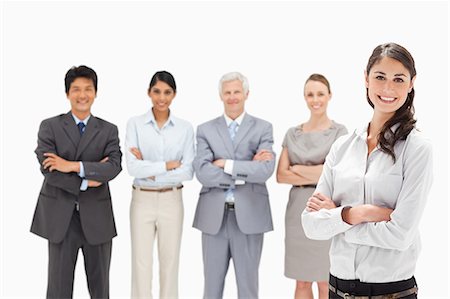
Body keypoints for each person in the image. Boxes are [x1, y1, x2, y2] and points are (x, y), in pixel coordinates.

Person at [302, 43, 433, 299]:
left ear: (412, 83)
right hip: (336, 289)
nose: (388, 88)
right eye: (380, 77)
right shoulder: (342, 146)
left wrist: (337, 220)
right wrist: (357, 213)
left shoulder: (418, 149)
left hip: (390, 293)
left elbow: (400, 235)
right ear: (366, 78)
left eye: (399, 79)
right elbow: (310, 225)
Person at [31, 65, 122, 298]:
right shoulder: (50, 126)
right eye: (76, 89)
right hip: (61, 217)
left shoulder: (108, 130)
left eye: (88, 89)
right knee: (58, 289)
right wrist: (86, 181)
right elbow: (49, 170)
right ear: (67, 93)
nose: (82, 95)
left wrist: (72, 165)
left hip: (97, 218)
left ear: (96, 92)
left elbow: (113, 167)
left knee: (100, 289)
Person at [193, 72, 275, 298]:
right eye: (227, 92)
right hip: (213, 218)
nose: (232, 97)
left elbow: (265, 170)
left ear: (246, 94)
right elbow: (203, 172)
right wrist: (246, 169)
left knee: (248, 289)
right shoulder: (205, 130)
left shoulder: (263, 128)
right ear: (220, 95)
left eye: (236, 92)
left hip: (250, 216)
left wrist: (226, 164)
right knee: (211, 288)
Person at [276, 73, 347, 299]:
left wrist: (298, 169)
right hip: (297, 210)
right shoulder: (292, 133)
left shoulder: (339, 133)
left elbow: (336, 173)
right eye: (310, 94)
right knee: (302, 281)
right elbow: (281, 175)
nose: (315, 99)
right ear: (304, 97)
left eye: (320, 94)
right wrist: (318, 170)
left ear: (329, 96)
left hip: (325, 208)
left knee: (326, 281)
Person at [125, 71, 195, 299]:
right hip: (141, 199)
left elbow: (187, 171)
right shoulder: (135, 124)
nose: (161, 98)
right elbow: (133, 169)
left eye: (167, 92)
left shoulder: (184, 128)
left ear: (174, 94)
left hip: (171, 200)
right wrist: (168, 166)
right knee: (140, 263)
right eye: (156, 91)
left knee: (170, 263)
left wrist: (150, 168)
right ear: (149, 92)